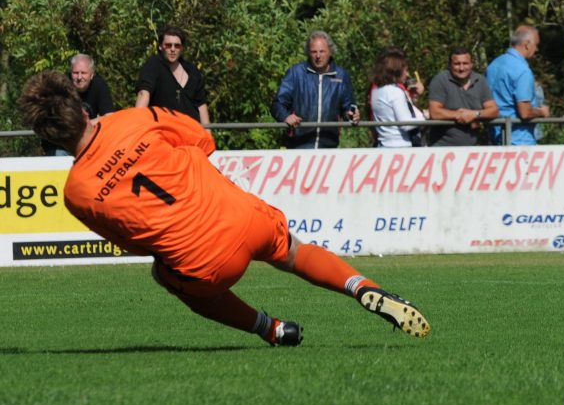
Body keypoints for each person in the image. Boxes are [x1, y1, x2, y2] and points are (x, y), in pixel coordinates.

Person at [17, 71, 430, 346]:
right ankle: (362, 287)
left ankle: (273, 330)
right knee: (293, 251)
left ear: (44, 132)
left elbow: (133, 241)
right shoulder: (133, 119)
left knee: (165, 274)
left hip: (204, 262)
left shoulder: (77, 192)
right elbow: (201, 138)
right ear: (79, 103)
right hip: (240, 214)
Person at [271, 30, 359, 149]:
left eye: (322, 51)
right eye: (314, 52)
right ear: (308, 53)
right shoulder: (295, 73)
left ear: (330, 52)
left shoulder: (341, 75)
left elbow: (348, 106)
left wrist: (352, 114)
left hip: (329, 147)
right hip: (298, 146)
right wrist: (285, 116)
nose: (318, 56)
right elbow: (278, 103)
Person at [485, 25, 549, 145]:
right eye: (536, 44)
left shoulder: (493, 65)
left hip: (495, 136)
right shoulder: (522, 70)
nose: (537, 49)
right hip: (519, 140)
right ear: (527, 44)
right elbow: (525, 112)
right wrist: (541, 112)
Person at [43, 53, 115, 156]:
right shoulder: (61, 86)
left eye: (84, 73)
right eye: (75, 73)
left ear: (92, 74)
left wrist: (85, 124)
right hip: (60, 144)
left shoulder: (99, 86)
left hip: (85, 142)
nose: (79, 77)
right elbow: (54, 119)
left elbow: (110, 117)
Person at [135, 26, 210, 125]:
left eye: (177, 45)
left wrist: (208, 137)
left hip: (192, 133)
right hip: (165, 131)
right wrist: (136, 125)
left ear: (182, 48)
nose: (173, 49)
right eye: (168, 45)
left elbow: (202, 106)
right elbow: (143, 94)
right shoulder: (154, 65)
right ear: (161, 46)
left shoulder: (192, 71)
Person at [427, 47, 499, 146]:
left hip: (472, 149)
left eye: (465, 63)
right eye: (457, 64)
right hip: (442, 149)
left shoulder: (480, 80)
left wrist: (474, 114)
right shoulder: (440, 80)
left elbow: (494, 110)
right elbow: (434, 112)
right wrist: (459, 115)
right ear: (450, 65)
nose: (461, 68)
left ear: (471, 64)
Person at [370, 49, 426, 148]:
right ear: (396, 71)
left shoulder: (376, 91)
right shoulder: (395, 92)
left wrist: (413, 98)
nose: (407, 74)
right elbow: (405, 124)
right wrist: (425, 116)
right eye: (406, 70)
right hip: (400, 147)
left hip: (383, 145)